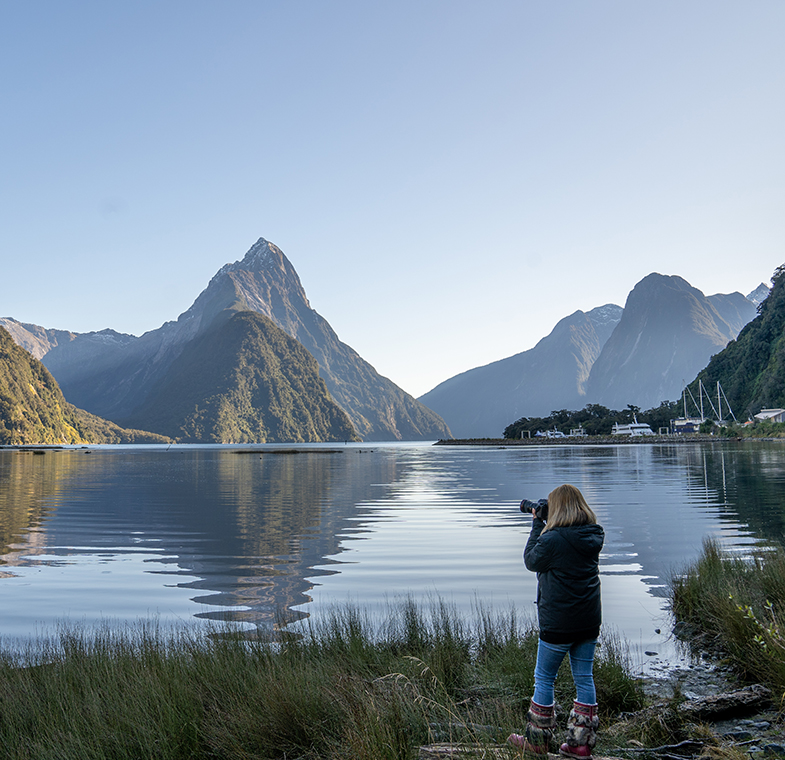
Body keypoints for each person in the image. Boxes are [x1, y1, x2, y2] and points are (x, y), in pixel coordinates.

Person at [507, 484, 604, 759]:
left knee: (544, 678)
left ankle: (537, 740)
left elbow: (531, 560)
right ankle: (580, 744)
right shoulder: (594, 535)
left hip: (558, 623)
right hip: (588, 621)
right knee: (584, 678)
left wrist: (537, 523)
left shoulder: (552, 540)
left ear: (557, 508)